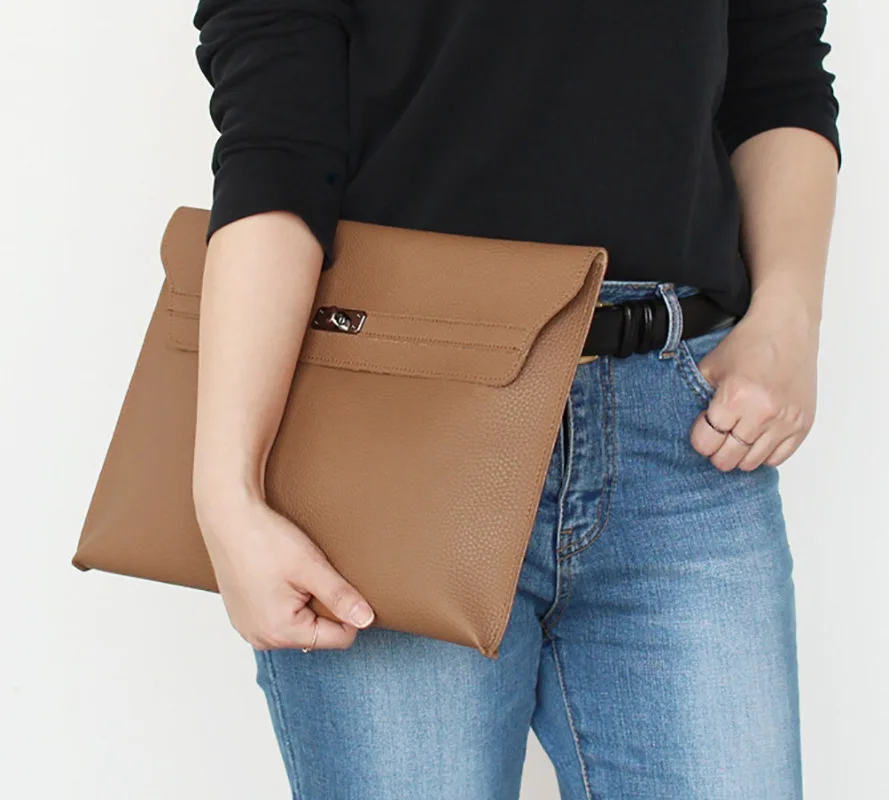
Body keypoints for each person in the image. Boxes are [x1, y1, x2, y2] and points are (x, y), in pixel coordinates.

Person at [189, 1, 840, 797]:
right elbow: (275, 150)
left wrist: (788, 314)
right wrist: (225, 493)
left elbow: (775, 72)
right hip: (397, 441)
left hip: (686, 430)